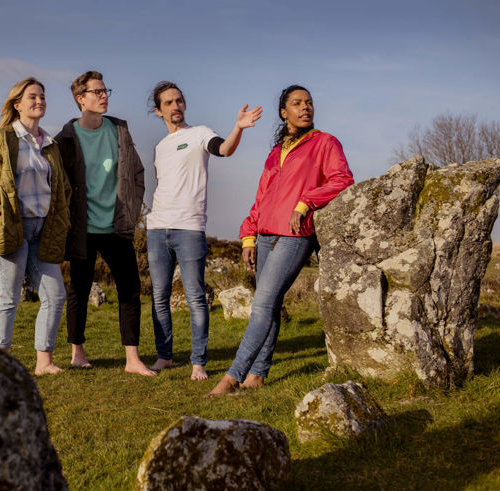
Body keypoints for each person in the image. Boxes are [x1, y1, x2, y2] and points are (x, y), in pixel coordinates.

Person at [208, 85, 354, 396]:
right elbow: (262, 198)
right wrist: (248, 235)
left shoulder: (325, 143)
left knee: (262, 303)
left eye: (309, 103)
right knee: (269, 305)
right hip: (264, 235)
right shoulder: (276, 152)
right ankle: (258, 374)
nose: (306, 108)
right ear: (283, 112)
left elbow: (342, 179)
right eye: (297, 103)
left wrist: (306, 203)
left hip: (295, 235)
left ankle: (233, 377)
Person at [146, 81, 263, 381]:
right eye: (169, 103)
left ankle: (198, 362)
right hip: (157, 228)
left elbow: (223, 149)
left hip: (189, 228)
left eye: (179, 100)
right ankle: (165, 357)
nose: (176, 106)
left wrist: (238, 128)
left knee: (196, 296)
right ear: (158, 111)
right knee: (159, 296)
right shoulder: (159, 148)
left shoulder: (199, 134)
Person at [55, 71, 155, 376]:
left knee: (130, 289)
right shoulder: (65, 139)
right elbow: (56, 185)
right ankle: (77, 352)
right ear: (80, 99)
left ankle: (132, 359)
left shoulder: (119, 129)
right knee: (79, 290)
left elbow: (136, 173)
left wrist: (131, 210)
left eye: (105, 90)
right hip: (82, 229)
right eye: (96, 91)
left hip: (117, 227)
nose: (103, 95)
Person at [0, 77, 71, 375]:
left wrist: (63, 219)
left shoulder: (50, 145)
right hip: (11, 228)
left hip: (45, 230)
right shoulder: (1, 139)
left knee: (55, 296)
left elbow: (62, 187)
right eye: (32, 97)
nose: (39, 101)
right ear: (17, 105)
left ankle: (44, 363)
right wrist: (0, 217)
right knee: (8, 296)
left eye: (42, 96)